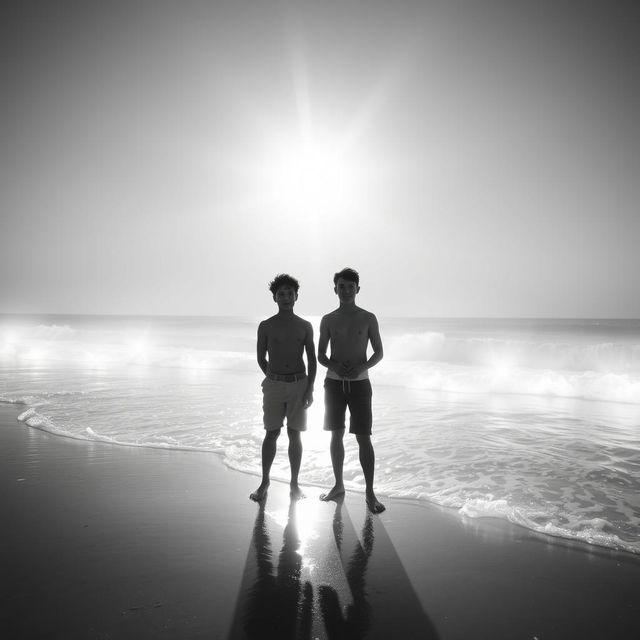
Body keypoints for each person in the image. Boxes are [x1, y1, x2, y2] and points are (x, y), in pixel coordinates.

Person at [318, 267, 385, 513]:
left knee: (363, 437)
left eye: (350, 286)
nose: (345, 290)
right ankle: (338, 485)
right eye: (341, 286)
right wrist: (334, 364)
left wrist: (362, 367)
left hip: (360, 384)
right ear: (335, 289)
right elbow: (321, 355)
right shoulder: (328, 319)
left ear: (358, 289)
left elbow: (379, 352)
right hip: (334, 383)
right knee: (335, 434)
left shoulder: (368, 318)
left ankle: (370, 492)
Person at [250, 274, 317, 502]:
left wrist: (310, 389)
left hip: (299, 383)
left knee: (294, 434)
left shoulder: (305, 326)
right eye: (281, 294)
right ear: (274, 298)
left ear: (296, 297)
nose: (286, 297)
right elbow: (261, 358)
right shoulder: (266, 326)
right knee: (272, 433)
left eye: (290, 293)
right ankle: (264, 482)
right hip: (274, 384)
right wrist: (273, 378)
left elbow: (312, 360)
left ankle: (294, 484)